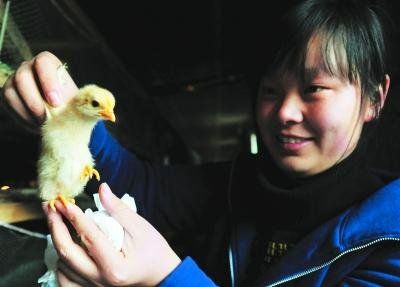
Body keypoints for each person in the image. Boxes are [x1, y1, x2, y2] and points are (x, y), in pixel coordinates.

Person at [2, 0, 400, 286]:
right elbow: (138, 184)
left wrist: (166, 279)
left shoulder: (388, 239)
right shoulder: (234, 183)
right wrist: (75, 121)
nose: (284, 113)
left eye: (314, 88)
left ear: (374, 98)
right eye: (270, 90)